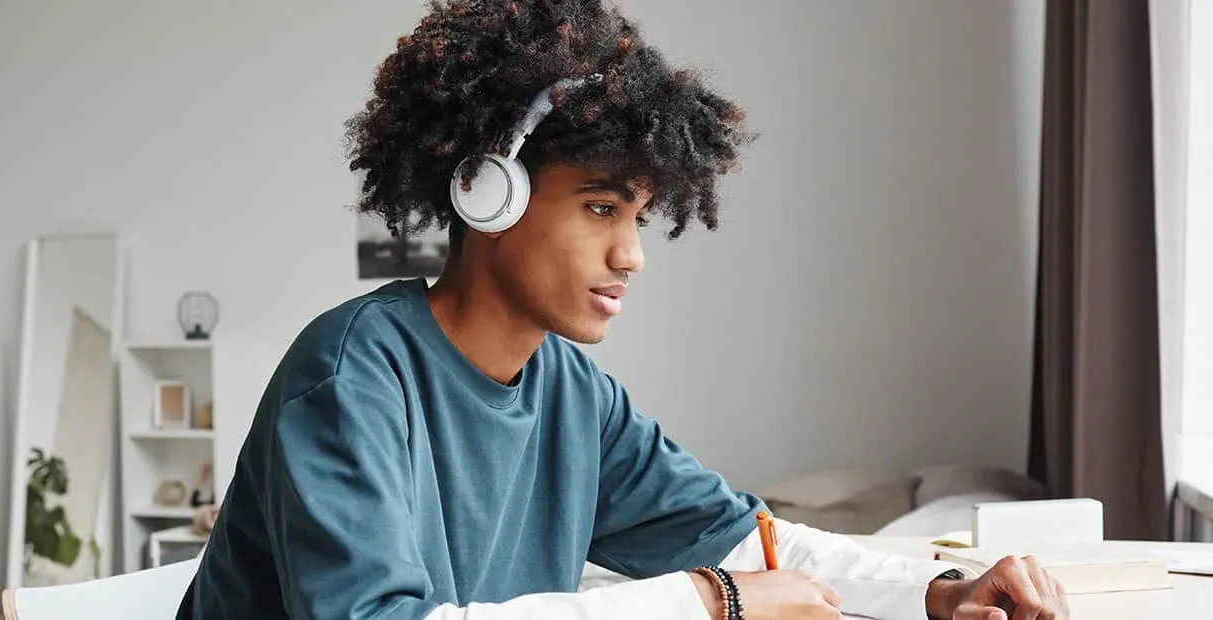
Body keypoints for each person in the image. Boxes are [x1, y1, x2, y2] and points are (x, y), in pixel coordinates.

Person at [177, 1, 1070, 618]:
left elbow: (750, 544)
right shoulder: (349, 376)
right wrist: (701, 602)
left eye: (641, 217)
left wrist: (941, 590)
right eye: (601, 208)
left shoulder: (572, 393)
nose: (631, 254)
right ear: (490, 193)